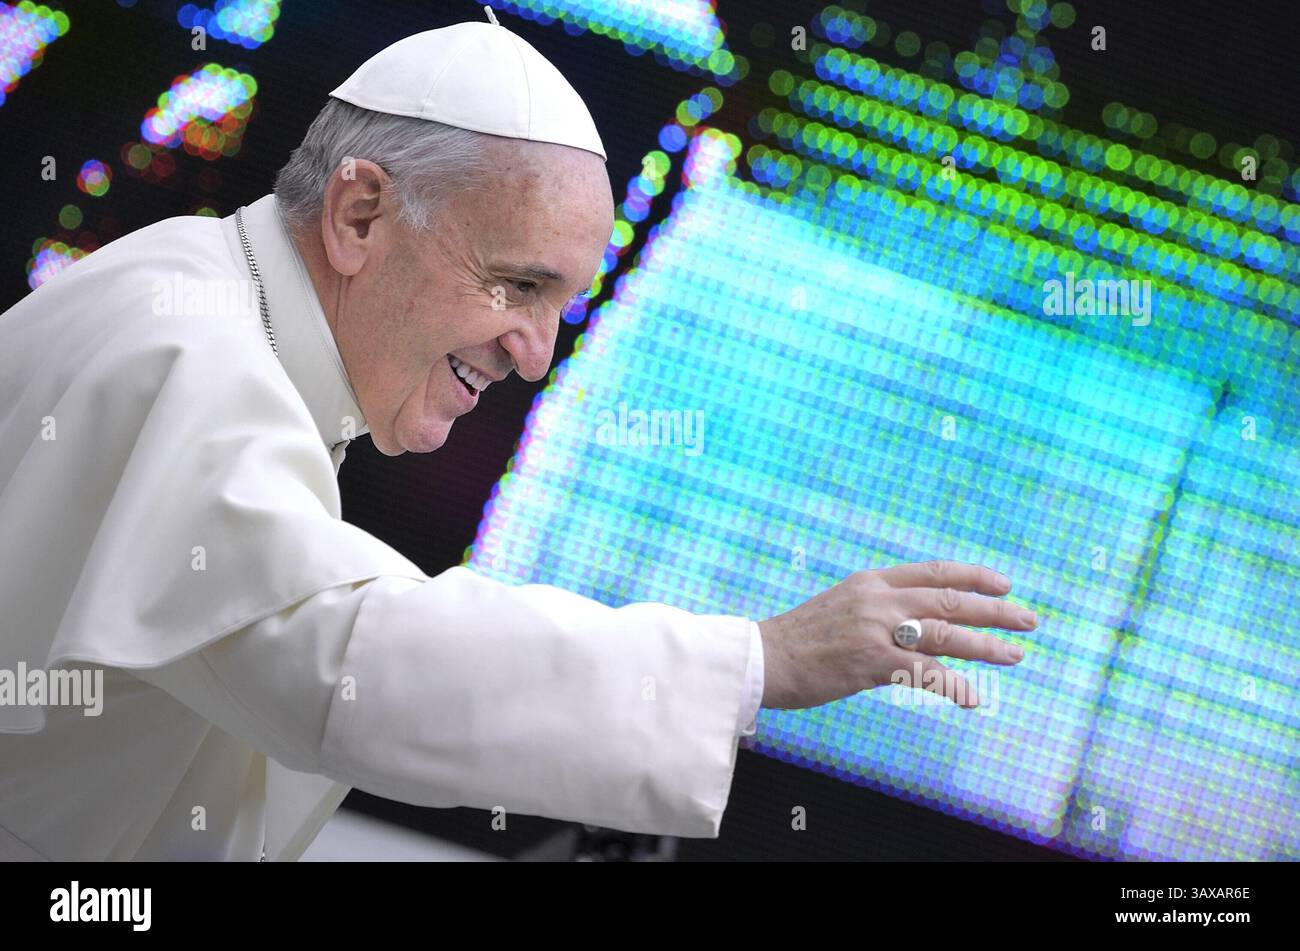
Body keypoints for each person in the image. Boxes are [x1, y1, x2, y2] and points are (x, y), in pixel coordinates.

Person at [0, 14, 1036, 861]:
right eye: (517, 284)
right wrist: (761, 661)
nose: (534, 354)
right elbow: (345, 661)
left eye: (560, 304)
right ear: (360, 213)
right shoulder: (199, 356)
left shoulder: (205, 299)